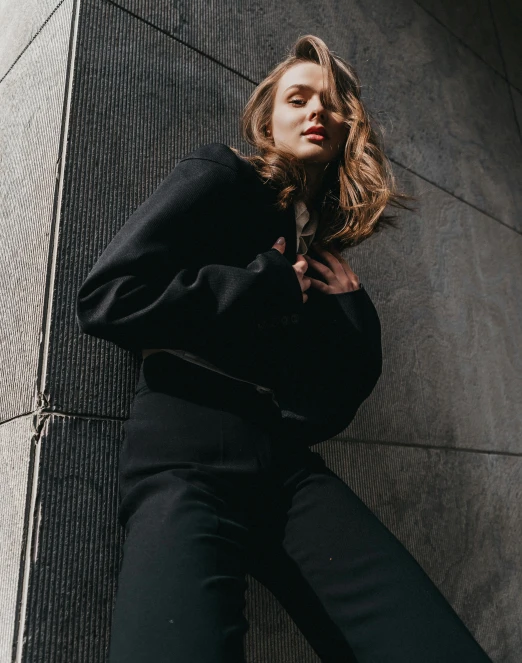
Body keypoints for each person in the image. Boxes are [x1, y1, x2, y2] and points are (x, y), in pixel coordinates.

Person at [76, 35, 493, 662]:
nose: (315, 112)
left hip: (285, 467)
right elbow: (107, 296)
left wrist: (354, 316)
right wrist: (257, 285)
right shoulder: (220, 177)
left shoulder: (321, 251)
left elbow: (320, 411)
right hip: (183, 454)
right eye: (297, 99)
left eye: (329, 103)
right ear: (267, 119)